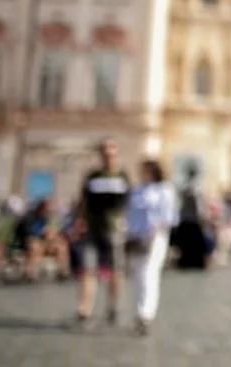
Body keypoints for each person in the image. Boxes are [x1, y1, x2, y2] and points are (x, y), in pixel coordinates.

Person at [74, 138, 131, 329]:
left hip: (115, 229)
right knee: (88, 268)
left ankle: (113, 307)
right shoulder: (93, 176)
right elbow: (82, 200)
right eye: (105, 152)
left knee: (116, 270)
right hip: (92, 228)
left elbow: (130, 202)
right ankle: (85, 310)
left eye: (111, 152)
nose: (108, 156)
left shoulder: (122, 176)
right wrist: (79, 220)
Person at [125, 159, 178, 335]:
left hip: (155, 236)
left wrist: (155, 232)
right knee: (138, 274)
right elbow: (130, 213)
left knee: (149, 272)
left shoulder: (164, 190)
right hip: (136, 236)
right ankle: (138, 310)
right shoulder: (137, 190)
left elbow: (168, 216)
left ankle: (146, 313)